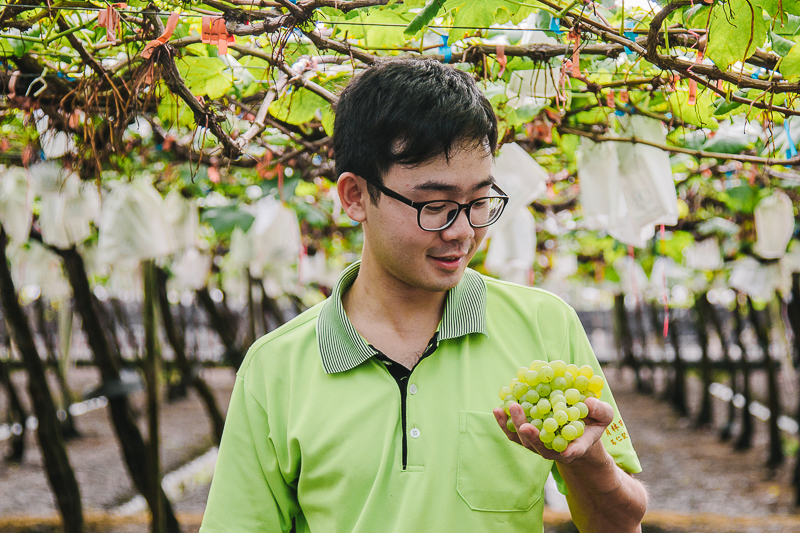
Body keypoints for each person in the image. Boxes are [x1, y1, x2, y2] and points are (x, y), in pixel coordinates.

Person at [200, 58, 648, 533]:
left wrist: (587, 461)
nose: (462, 232)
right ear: (354, 197)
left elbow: (621, 525)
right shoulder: (276, 368)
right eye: (434, 206)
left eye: (479, 202)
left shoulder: (545, 325)